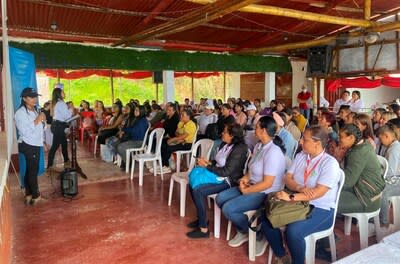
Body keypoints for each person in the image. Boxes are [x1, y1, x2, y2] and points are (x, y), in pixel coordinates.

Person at [261, 126, 341, 264]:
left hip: (321, 208)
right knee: (267, 217)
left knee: (293, 231)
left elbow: (318, 193)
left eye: (305, 139)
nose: (301, 142)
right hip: (299, 202)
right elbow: (287, 178)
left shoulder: (330, 163)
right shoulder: (301, 156)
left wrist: (291, 197)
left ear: (317, 143)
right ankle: (281, 255)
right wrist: (300, 188)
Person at [216, 116, 286, 248]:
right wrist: (244, 179)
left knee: (228, 208)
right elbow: (252, 168)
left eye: (257, 127)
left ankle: (252, 232)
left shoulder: (273, 152)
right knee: (220, 198)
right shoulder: (259, 146)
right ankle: (245, 231)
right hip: (251, 185)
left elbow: (267, 183)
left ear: (264, 131)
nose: (254, 129)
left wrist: (247, 191)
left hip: (264, 193)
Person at [186, 124, 249, 239]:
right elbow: (218, 162)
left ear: (232, 135)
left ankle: (203, 229)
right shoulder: (225, 144)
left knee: (198, 191)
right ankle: (202, 219)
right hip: (218, 175)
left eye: (225, 132)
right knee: (192, 183)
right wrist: (208, 162)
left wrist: (207, 167)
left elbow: (226, 171)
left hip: (228, 180)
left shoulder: (239, 149)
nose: (222, 134)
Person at [338, 124, 385, 214]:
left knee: (326, 200)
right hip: (367, 192)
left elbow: (348, 182)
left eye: (341, 137)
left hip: (366, 199)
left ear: (351, 137)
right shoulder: (364, 144)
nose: (339, 140)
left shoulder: (358, 153)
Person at [15, 88, 46, 205]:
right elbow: (24, 131)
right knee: (33, 170)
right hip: (28, 144)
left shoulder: (35, 109)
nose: (35, 99)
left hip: (36, 143)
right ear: (24, 99)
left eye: (35, 96)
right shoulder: (20, 113)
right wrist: (37, 120)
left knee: (29, 170)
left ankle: (28, 194)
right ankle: (36, 195)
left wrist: (42, 121)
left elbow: (41, 127)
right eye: (31, 97)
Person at [157, 108, 197, 174]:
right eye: (181, 115)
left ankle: (166, 166)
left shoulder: (191, 124)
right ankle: (164, 164)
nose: (181, 116)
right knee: (163, 146)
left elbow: (183, 136)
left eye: (183, 115)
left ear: (188, 116)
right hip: (181, 141)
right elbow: (176, 132)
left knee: (168, 148)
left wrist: (173, 139)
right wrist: (179, 138)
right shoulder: (181, 122)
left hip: (188, 144)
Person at [377, 124, 400, 227]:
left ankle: (383, 222)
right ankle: (375, 217)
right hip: (394, 179)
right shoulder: (391, 146)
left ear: (386, 136)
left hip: (397, 181)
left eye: (381, 139)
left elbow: (391, 173)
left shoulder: (394, 149)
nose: (381, 142)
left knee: (382, 190)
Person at [47, 88, 72, 170]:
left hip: (56, 125)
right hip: (59, 126)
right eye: (62, 92)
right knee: (55, 145)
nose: (64, 93)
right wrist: (71, 108)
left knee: (64, 143)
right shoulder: (61, 103)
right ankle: (49, 165)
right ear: (59, 94)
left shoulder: (56, 103)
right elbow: (67, 116)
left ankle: (66, 160)